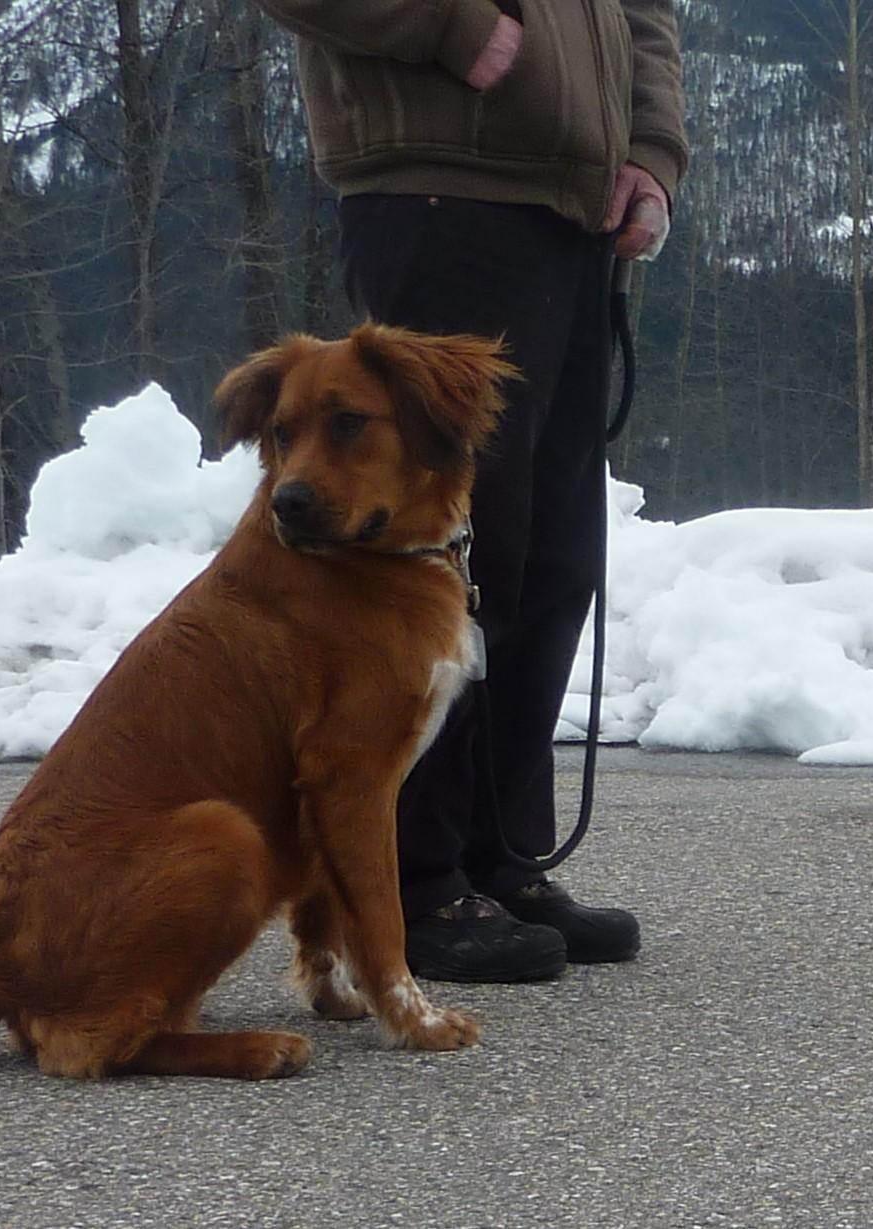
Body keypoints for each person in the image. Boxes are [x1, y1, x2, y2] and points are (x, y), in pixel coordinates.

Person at [255, 0, 688, 981]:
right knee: (446, 555)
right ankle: (408, 878)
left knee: (547, 552)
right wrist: (451, 26)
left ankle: (499, 856)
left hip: (574, 206)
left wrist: (651, 145)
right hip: (438, 190)